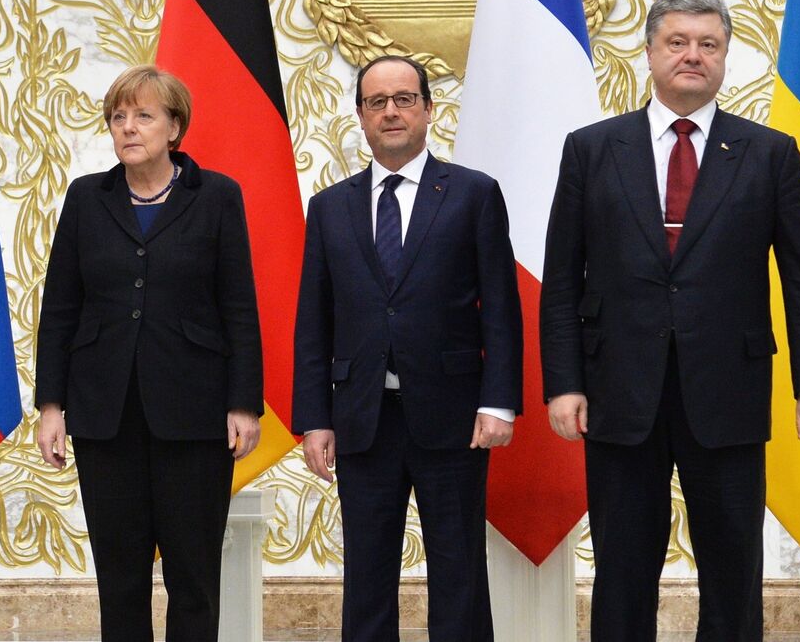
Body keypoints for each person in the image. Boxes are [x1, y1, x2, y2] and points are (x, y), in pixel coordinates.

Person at [540, 0, 800, 641]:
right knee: (623, 568)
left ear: (726, 57)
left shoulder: (769, 153)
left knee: (733, 569)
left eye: (709, 45)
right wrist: (563, 381)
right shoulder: (593, 149)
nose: (692, 56)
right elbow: (561, 276)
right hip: (618, 392)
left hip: (728, 390)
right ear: (650, 51)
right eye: (677, 42)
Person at [292, 55, 522, 642]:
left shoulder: (472, 193)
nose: (390, 112)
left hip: (453, 417)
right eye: (377, 102)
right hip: (362, 418)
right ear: (361, 118)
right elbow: (314, 322)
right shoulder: (330, 207)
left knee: (459, 571)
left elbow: (500, 306)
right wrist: (314, 418)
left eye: (403, 99)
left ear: (427, 108)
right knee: (366, 577)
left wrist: (498, 403)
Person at [34, 65, 264, 641]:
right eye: (118, 117)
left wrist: (244, 403)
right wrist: (51, 405)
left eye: (143, 116)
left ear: (174, 128)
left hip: (195, 413)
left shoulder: (216, 196)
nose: (128, 128)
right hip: (104, 414)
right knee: (120, 577)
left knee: (193, 577)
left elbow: (238, 306)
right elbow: (61, 307)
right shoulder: (88, 197)